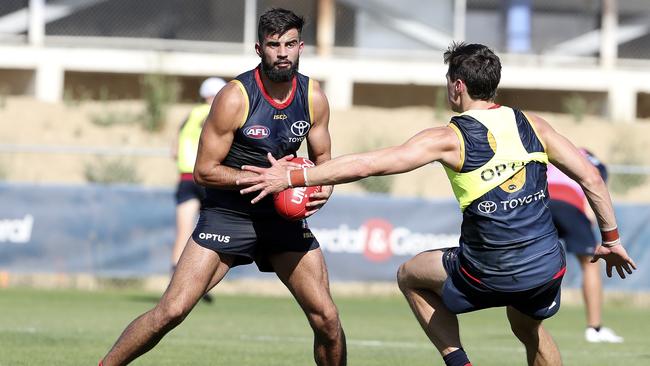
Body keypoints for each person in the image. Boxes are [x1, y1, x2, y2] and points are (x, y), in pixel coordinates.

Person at [237, 42, 636, 366]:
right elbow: (592, 178)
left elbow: (370, 164)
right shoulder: (532, 123)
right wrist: (612, 239)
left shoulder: (450, 137)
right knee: (527, 327)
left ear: (458, 86)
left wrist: (293, 176)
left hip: (488, 269)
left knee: (410, 274)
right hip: (546, 265)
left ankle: (459, 364)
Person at [99, 8, 346, 366]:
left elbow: (324, 161)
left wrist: (324, 189)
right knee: (172, 310)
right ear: (259, 48)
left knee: (328, 319)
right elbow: (204, 171)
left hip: (281, 218)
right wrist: (260, 178)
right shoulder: (234, 97)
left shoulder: (313, 97)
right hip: (229, 215)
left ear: (301, 47)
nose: (282, 53)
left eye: (290, 44)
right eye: (274, 45)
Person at [547, 148, 623, 343]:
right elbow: (594, 186)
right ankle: (594, 329)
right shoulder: (590, 160)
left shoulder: (549, 150)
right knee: (590, 264)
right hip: (570, 205)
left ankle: (526, 322)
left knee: (529, 259)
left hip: (538, 204)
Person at [170, 76, 226, 304]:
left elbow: (174, 150)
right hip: (209, 178)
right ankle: (201, 283)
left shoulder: (188, 117)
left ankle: (174, 287)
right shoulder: (214, 115)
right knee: (211, 233)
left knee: (183, 233)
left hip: (185, 178)